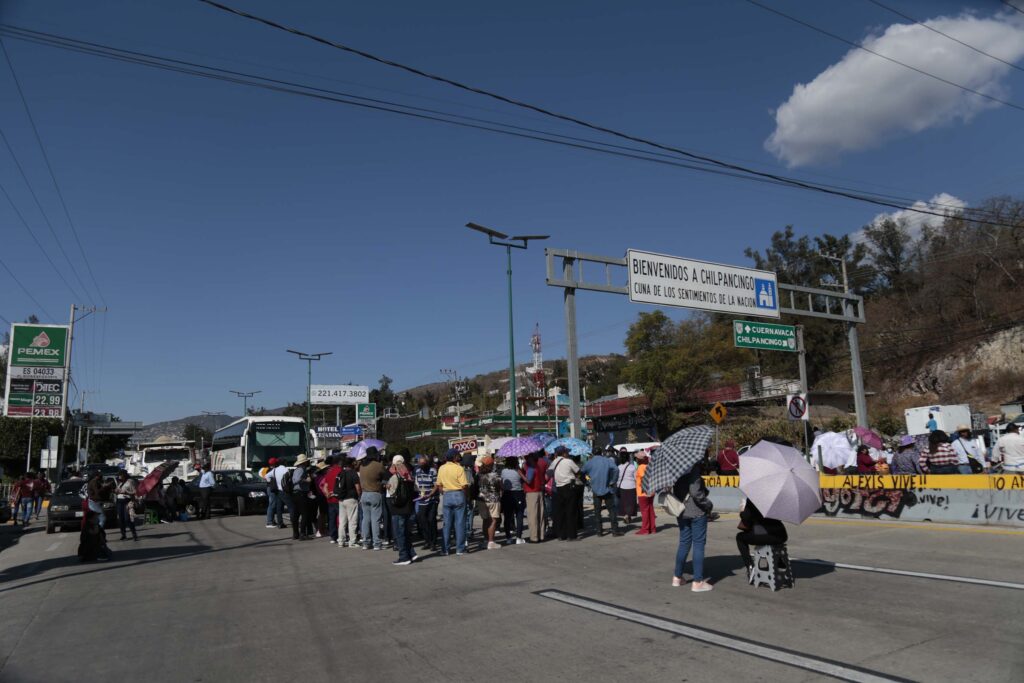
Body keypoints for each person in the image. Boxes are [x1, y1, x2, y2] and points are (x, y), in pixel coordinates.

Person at [671, 460, 714, 592]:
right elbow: (695, 492)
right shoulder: (693, 470)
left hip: (682, 511)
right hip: (696, 512)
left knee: (684, 543)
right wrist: (708, 504)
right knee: (699, 545)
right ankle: (698, 582)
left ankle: (677, 577)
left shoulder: (676, 469)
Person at [735, 500, 788, 578]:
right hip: (780, 535)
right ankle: (779, 562)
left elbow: (746, 517)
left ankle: (750, 565)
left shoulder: (754, 499)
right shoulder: (777, 499)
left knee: (739, 537)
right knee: (772, 540)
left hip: (761, 534)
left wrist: (742, 511)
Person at [581, 448, 623, 536]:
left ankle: (599, 531)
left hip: (595, 489)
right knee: (611, 510)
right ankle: (615, 531)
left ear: (592, 454)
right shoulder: (607, 461)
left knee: (597, 511)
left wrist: (588, 481)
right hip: (607, 488)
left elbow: (582, 473)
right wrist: (612, 481)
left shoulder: (589, 462)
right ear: (602, 453)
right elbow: (616, 469)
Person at [437, 449, 469, 556]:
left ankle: (445, 549)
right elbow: (464, 485)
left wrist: (444, 492)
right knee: (459, 523)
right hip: (458, 494)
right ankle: (460, 549)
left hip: (447, 495)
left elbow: (439, 485)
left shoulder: (441, 468)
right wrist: (465, 497)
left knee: (447, 524)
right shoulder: (459, 468)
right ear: (454, 457)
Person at [387, 455, 417, 565]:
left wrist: (387, 486)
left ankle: (404, 557)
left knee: (399, 533)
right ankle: (411, 554)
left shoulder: (395, 477)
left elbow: (392, 492)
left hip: (398, 508)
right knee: (406, 533)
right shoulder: (409, 474)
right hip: (408, 507)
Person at [548, 446, 580, 541]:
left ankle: (562, 535)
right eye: (567, 452)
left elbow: (549, 473)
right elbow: (578, 472)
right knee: (571, 512)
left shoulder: (554, 462)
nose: (568, 454)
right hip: (569, 488)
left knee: (561, 512)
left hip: (558, 489)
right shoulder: (569, 461)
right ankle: (572, 536)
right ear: (564, 453)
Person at [358, 447, 387, 550]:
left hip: (364, 494)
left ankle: (366, 542)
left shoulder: (361, 466)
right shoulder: (378, 465)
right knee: (376, 520)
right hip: (375, 493)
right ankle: (377, 543)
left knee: (366, 519)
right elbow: (385, 476)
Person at [334, 458, 361, 547]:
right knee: (352, 520)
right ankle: (352, 542)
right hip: (351, 499)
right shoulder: (353, 473)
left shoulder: (340, 473)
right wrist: (359, 496)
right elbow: (357, 487)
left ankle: (341, 541)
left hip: (341, 499)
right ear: (351, 464)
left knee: (342, 521)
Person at [476, 456, 502, 550]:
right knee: (493, 520)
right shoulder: (495, 475)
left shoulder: (478, 475)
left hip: (481, 500)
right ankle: (491, 542)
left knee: (485, 520)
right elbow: (500, 487)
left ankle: (486, 540)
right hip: (493, 500)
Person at [414, 455, 439, 550]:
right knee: (422, 520)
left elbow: (436, 485)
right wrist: (419, 491)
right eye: (420, 463)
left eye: (423, 463)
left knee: (431, 520)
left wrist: (430, 494)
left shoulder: (432, 471)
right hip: (422, 499)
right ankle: (427, 540)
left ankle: (433, 542)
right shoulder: (417, 471)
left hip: (432, 499)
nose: (421, 465)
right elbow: (416, 484)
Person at [500, 457, 527, 544]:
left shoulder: (503, 471)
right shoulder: (518, 471)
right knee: (519, 515)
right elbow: (524, 481)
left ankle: (508, 537)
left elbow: (501, 483)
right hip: (518, 493)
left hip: (507, 494)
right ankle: (519, 537)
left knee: (507, 517)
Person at [522, 452, 547, 543]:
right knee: (540, 515)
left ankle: (534, 537)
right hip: (539, 491)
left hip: (532, 492)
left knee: (533, 515)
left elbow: (528, 480)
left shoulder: (531, 468)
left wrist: (520, 473)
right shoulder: (538, 467)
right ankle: (541, 535)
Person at [319, 456, 343, 544]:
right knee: (340, 518)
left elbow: (324, 485)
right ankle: (341, 535)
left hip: (330, 499)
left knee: (332, 518)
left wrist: (327, 494)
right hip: (338, 497)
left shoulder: (328, 472)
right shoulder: (340, 471)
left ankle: (333, 537)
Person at [290, 454, 313, 540]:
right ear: (304, 462)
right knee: (305, 514)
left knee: (296, 515)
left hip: (296, 494)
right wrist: (306, 480)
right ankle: (302, 534)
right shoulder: (301, 469)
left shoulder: (297, 470)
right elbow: (296, 480)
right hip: (301, 493)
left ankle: (296, 534)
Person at [635, 450, 656, 535]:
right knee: (650, 510)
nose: (636, 459)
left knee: (644, 511)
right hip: (651, 491)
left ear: (639, 459)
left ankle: (645, 529)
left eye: (637, 458)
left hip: (643, 492)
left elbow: (644, 479)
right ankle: (652, 528)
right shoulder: (649, 466)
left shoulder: (641, 467)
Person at [267, 458, 291, 529]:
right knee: (273, 505)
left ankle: (277, 522)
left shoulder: (272, 470)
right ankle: (270, 522)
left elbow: (266, 476)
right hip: (278, 489)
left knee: (278, 507)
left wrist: (271, 481)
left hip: (275, 489)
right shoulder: (281, 469)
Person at [114, 471, 139, 541]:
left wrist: (126, 492)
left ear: (124, 475)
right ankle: (123, 534)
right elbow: (118, 491)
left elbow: (135, 492)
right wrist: (116, 491)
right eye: (119, 475)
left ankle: (134, 533)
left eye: (120, 475)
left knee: (127, 519)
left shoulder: (130, 482)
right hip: (119, 501)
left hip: (127, 501)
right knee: (121, 519)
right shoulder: (120, 483)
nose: (119, 477)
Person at [617, 452, 637, 525]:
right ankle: (628, 515)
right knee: (631, 503)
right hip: (632, 486)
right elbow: (636, 478)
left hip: (622, 486)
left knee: (624, 503)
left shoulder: (619, 467)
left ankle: (625, 515)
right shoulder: (632, 467)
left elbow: (618, 478)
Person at [263, 457, 281, 528]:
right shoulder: (272, 470)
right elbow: (267, 479)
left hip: (270, 488)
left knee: (273, 504)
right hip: (272, 489)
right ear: (274, 463)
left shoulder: (269, 470)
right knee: (272, 505)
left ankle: (272, 521)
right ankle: (269, 522)